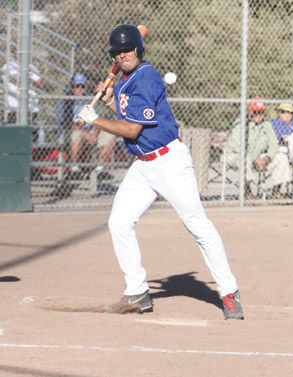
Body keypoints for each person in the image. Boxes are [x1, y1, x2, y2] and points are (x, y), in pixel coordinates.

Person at [78, 24, 243, 320]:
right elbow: (128, 117)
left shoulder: (147, 77)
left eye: (128, 49)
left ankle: (229, 291)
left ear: (139, 49)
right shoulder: (126, 80)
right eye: (117, 51)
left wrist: (95, 120)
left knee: (196, 224)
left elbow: (131, 128)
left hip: (170, 163)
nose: (123, 54)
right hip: (143, 164)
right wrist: (111, 102)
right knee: (119, 222)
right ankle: (137, 292)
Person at [224, 97, 290, 200]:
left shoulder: (266, 125)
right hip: (235, 156)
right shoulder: (241, 124)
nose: (258, 115)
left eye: (261, 112)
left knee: (281, 157)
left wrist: (266, 159)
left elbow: (274, 144)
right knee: (245, 160)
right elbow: (237, 147)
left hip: (257, 158)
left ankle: (276, 192)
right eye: (256, 112)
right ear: (250, 111)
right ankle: (247, 193)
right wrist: (254, 159)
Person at [1, 59, 43, 130]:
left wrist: (20, 79)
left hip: (31, 108)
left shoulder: (32, 67)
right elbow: (11, 79)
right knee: (14, 133)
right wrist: (29, 81)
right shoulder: (8, 66)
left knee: (32, 135)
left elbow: (40, 83)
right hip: (14, 107)